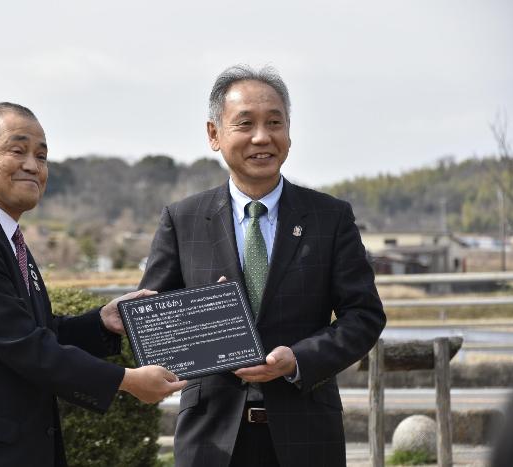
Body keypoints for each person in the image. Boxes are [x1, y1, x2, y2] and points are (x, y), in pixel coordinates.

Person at [0, 102, 185, 467]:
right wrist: (126, 380)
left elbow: (39, 332)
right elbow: (23, 345)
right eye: (17, 151)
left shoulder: (4, 237)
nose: (33, 166)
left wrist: (102, 321)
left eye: (42, 155)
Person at [139, 65, 386, 467]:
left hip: (307, 434)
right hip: (211, 437)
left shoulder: (329, 217)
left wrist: (300, 358)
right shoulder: (182, 219)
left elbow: (364, 316)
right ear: (214, 135)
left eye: (275, 122)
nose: (262, 137)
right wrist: (207, 316)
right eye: (245, 123)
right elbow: (154, 324)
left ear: (289, 132)